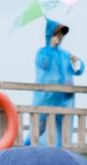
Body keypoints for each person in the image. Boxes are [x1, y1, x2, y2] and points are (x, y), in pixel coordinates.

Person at [31, 18, 84, 147]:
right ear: (50, 35)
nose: (60, 37)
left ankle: (61, 154)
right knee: (40, 126)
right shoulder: (42, 52)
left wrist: (77, 62)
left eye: (62, 34)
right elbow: (43, 64)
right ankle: (28, 147)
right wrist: (50, 47)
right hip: (46, 98)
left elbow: (77, 71)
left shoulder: (65, 54)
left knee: (62, 129)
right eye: (57, 33)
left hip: (64, 99)